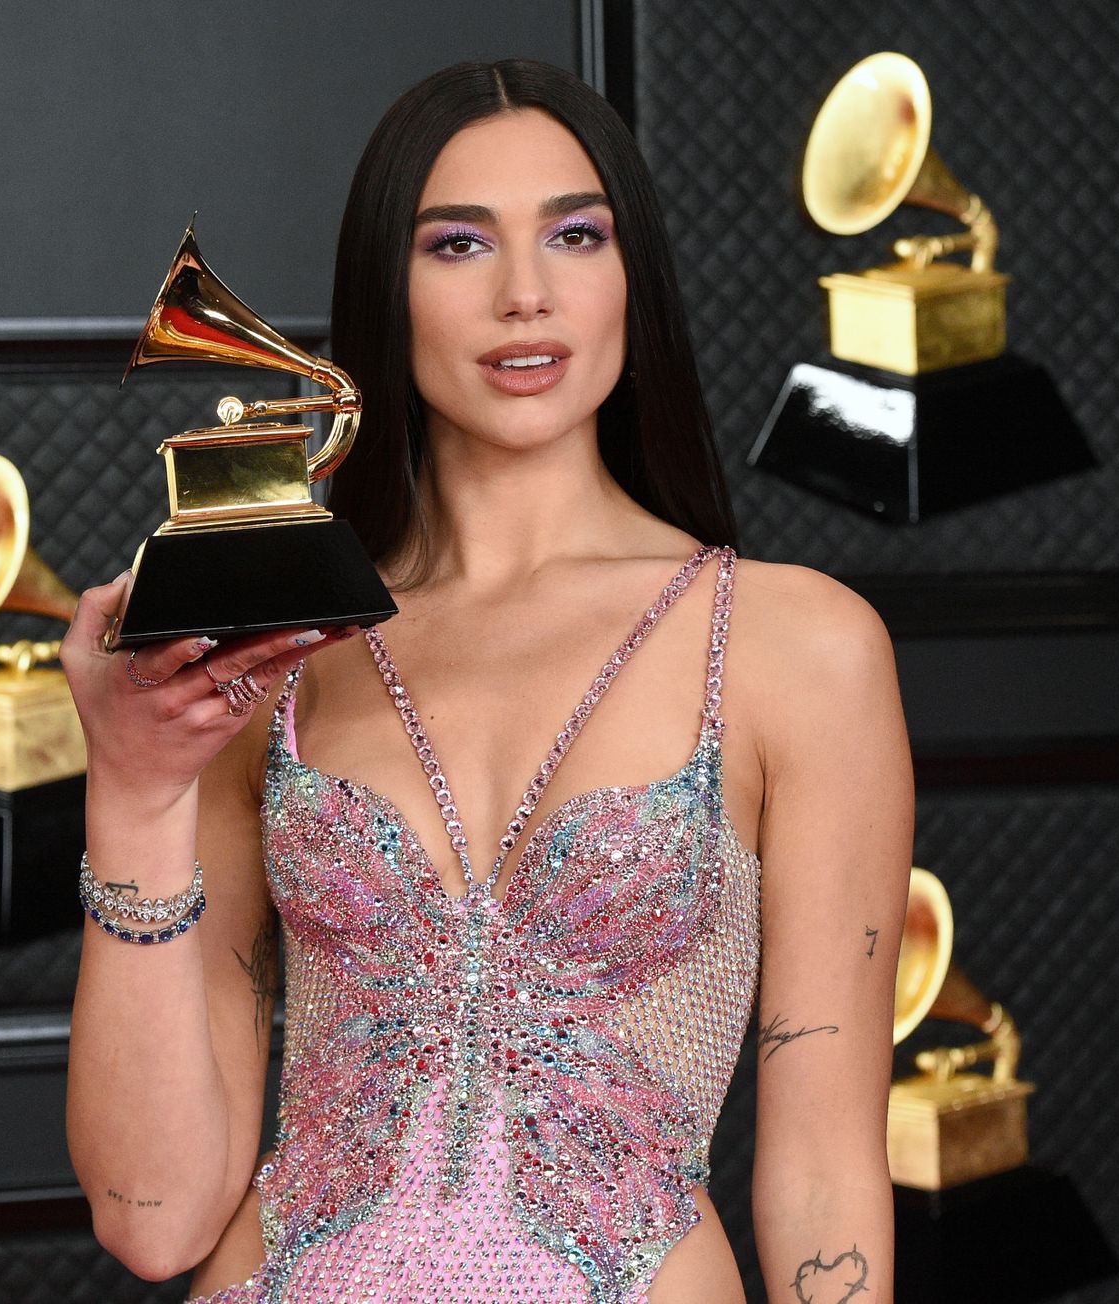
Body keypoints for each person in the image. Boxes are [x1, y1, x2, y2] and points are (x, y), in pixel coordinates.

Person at [61, 58, 913, 1304]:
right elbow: (153, 1215)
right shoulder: (284, 653)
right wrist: (132, 797)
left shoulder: (800, 645)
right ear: (387, 292)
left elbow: (826, 1168)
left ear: (634, 278)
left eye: (576, 234)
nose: (527, 294)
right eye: (457, 245)